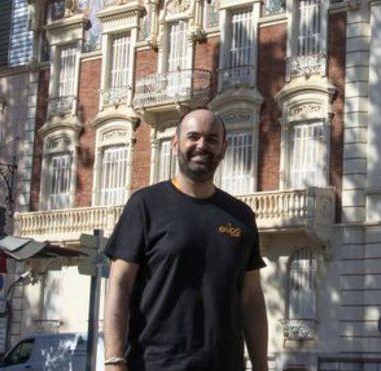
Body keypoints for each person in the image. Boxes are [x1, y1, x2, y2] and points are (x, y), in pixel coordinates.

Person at [102, 108, 268, 370]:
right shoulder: (145, 206)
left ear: (223, 148)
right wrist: (114, 359)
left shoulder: (241, 217)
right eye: (193, 136)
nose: (202, 145)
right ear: (175, 144)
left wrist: (261, 365)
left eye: (212, 139)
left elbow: (251, 297)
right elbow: (119, 285)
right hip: (155, 364)